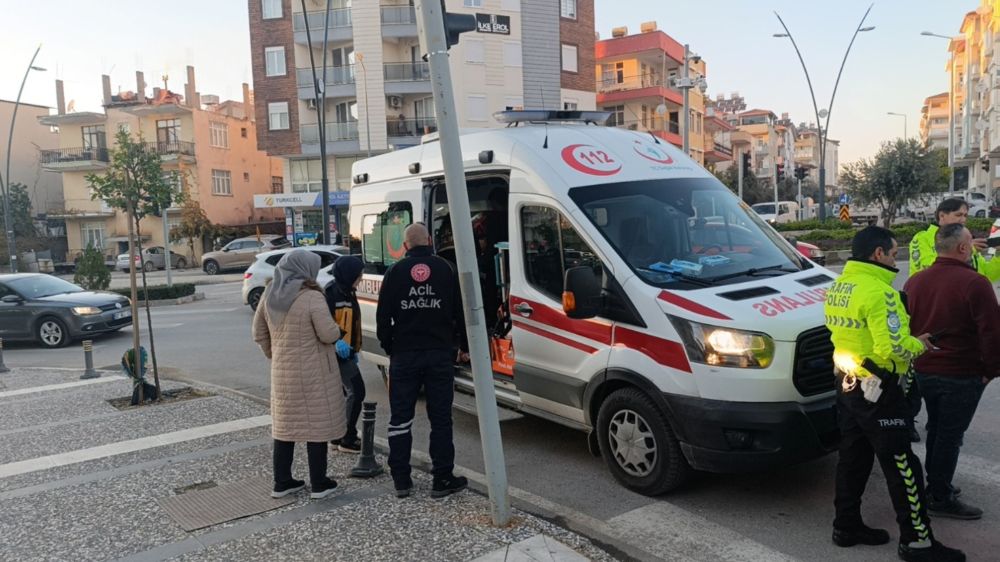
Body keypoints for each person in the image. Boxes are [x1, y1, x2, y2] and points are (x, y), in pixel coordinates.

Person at [825, 226, 964, 562]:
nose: (894, 258)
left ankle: (846, 526)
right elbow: (894, 348)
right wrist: (920, 343)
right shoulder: (881, 293)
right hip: (880, 390)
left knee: (853, 458)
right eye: (892, 252)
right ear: (878, 254)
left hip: (847, 382)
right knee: (902, 464)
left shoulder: (839, 285)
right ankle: (917, 541)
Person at [904, 223, 1000, 520]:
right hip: (961, 372)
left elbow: (907, 325)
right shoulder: (975, 283)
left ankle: (936, 483)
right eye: (971, 242)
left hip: (924, 368)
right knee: (949, 435)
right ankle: (939, 495)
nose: (974, 246)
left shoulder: (915, 282)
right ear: (962, 248)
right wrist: (991, 370)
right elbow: (991, 332)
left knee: (937, 429)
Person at [376, 223, 468, 499]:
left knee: (400, 418)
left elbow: (383, 318)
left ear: (405, 246)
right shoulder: (446, 269)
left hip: (405, 354)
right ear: (429, 240)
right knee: (441, 418)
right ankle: (442, 478)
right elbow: (460, 310)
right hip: (439, 353)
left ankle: (401, 479)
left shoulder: (394, 273)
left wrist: (390, 345)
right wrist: (461, 345)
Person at [253, 249, 345, 500]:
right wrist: (339, 331)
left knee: (285, 428)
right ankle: (320, 483)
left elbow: (258, 333)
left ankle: (282, 482)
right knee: (317, 426)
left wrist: (275, 355)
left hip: (283, 373)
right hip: (314, 373)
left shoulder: (269, 295)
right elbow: (327, 334)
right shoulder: (312, 297)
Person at [906, 198, 1000, 443]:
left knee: (945, 425)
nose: (962, 220)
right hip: (933, 320)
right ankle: (910, 422)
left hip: (961, 313)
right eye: (958, 215)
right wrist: (961, 253)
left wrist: (994, 255)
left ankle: (935, 435)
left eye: (965, 216)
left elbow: (987, 275)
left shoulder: (967, 246)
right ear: (941, 216)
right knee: (924, 394)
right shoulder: (924, 239)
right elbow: (929, 267)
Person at [324, 255, 366, 454]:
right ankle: (347, 439)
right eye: (359, 274)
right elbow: (324, 324)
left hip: (346, 352)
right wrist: (336, 342)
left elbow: (354, 322)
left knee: (342, 394)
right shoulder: (331, 294)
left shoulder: (349, 291)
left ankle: (337, 436)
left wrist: (354, 349)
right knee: (357, 391)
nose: (361, 278)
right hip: (335, 353)